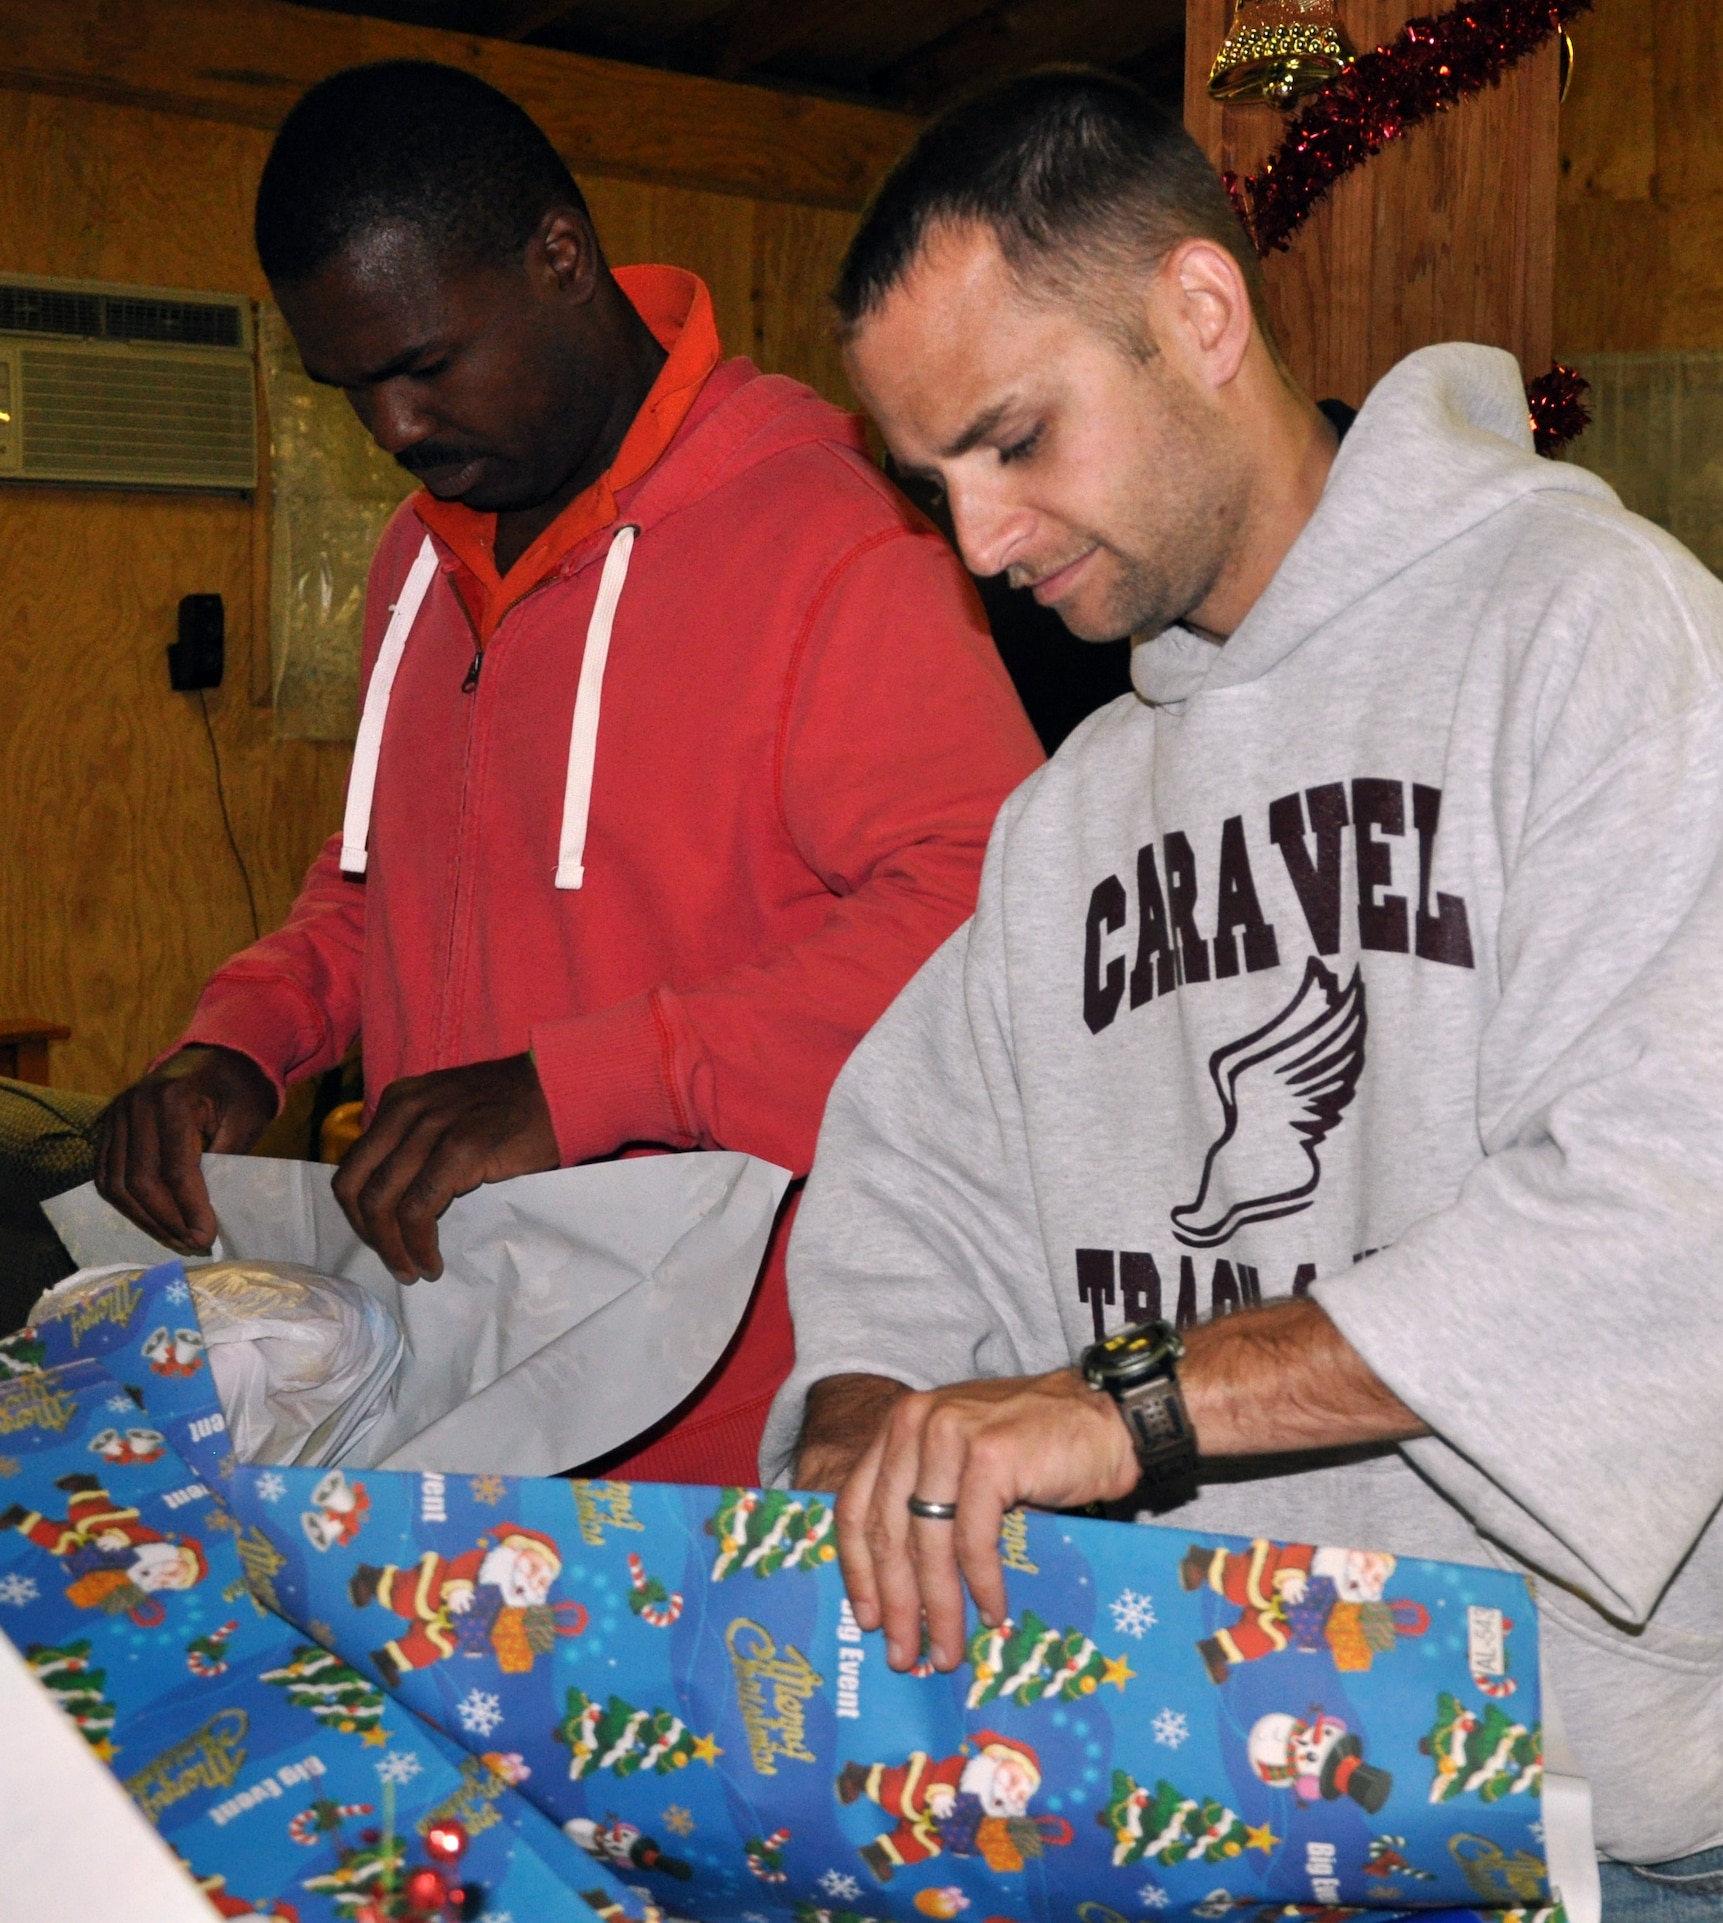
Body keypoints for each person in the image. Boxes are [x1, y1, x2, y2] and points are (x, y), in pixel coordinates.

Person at [763, 70, 1723, 1916]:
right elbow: (917, 1182)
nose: (981, 540)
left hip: (1689, 1823)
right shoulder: (1071, 818)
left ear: (1197, 312)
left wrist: (1126, 1405)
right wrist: (870, 1430)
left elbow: (1661, 1219)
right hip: (1297, 1794)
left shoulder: (1599, 636)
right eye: (936, 482)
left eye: (1014, 440)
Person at [93, 61, 1043, 1482]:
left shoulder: (828, 534)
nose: (396, 432)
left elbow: (984, 929)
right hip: (467, 1384)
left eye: (425, 365)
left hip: (747, 1425)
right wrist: (246, 1035)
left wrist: (586, 1081)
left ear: (559, 258)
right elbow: (381, 884)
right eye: (351, 388)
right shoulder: (420, 556)